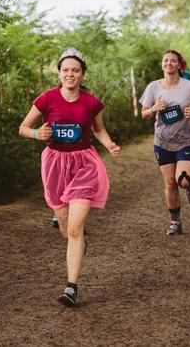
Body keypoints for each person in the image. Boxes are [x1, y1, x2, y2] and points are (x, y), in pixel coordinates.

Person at [19, 47, 120, 307]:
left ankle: (71, 286)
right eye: (66, 70)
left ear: (83, 74)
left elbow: (99, 129)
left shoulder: (91, 102)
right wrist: (35, 135)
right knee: (67, 231)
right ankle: (66, 223)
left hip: (84, 164)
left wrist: (109, 144)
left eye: (75, 70)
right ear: (59, 73)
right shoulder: (46, 99)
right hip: (54, 165)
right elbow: (23, 127)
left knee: (75, 229)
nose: (70, 74)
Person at [140, 50, 190, 236]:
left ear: (179, 65)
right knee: (170, 183)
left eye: (173, 61)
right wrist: (154, 108)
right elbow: (144, 114)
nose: (169, 63)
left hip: (186, 140)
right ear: (162, 64)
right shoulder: (153, 87)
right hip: (162, 141)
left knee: (182, 180)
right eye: (166, 60)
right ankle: (175, 221)